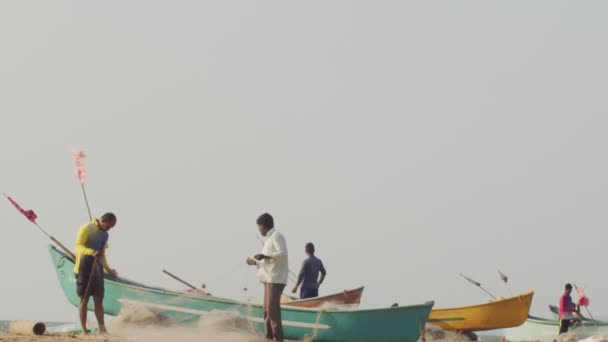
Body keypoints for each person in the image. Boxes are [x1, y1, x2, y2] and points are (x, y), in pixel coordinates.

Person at [74, 212, 118, 335]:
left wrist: (108, 269)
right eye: (108, 226)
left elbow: (102, 255)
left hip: (97, 269)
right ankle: (84, 330)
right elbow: (78, 246)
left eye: (111, 227)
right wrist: (91, 251)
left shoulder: (105, 235)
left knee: (98, 299)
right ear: (102, 220)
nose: (109, 229)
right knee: (84, 299)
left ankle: (102, 329)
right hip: (83, 267)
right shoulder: (86, 228)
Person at [246, 213, 288, 342]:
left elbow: (282, 253)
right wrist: (255, 261)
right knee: (266, 310)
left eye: (259, 227)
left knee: (272, 310)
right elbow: (267, 261)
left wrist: (264, 256)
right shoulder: (268, 240)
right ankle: (269, 337)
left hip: (275, 279)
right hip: (268, 279)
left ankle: (277, 339)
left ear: (263, 226)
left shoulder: (277, 236)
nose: (259, 230)